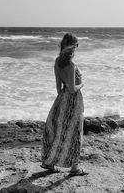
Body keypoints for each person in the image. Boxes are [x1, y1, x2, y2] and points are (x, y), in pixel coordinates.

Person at [41, 33, 87, 176]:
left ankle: (49, 162)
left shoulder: (57, 61)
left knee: (58, 130)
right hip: (73, 100)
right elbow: (73, 89)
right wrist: (82, 84)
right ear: (72, 47)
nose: (77, 48)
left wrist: (62, 100)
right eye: (77, 45)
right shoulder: (71, 65)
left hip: (61, 99)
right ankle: (74, 168)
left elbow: (58, 86)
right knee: (74, 133)